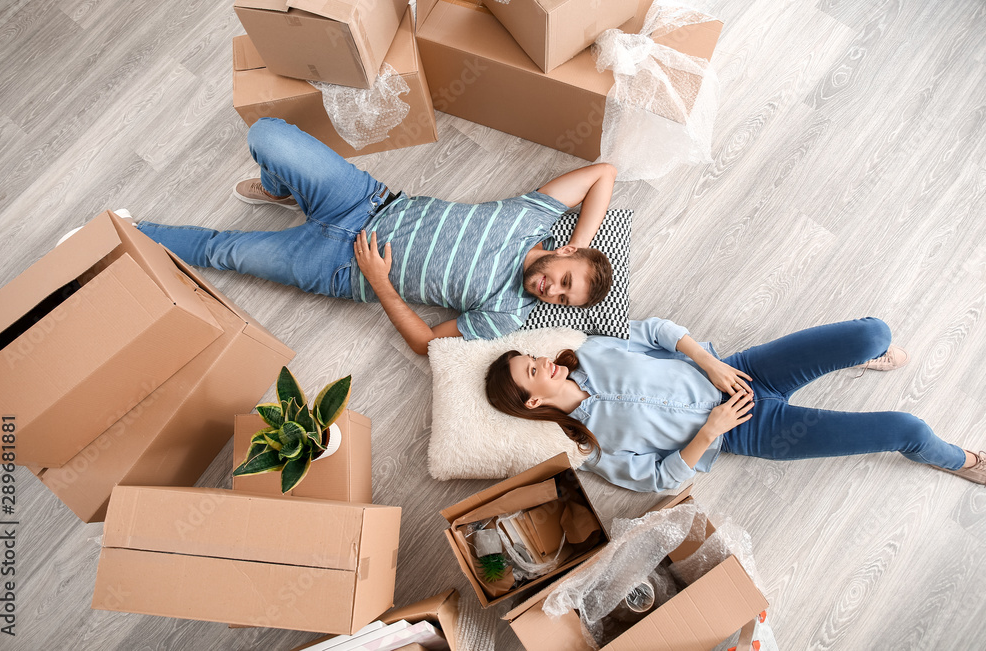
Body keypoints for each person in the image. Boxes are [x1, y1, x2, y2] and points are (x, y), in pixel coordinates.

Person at [134, 118, 615, 355]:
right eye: (565, 279)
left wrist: (380, 282)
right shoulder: (532, 217)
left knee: (225, 252)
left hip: (341, 269)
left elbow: (428, 345)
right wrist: (584, 241)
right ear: (566, 251)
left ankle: (128, 233)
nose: (551, 292)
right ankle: (282, 191)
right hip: (365, 201)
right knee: (266, 134)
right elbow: (604, 173)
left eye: (561, 301)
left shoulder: (508, 315)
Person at [485, 316, 986, 491]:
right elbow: (662, 480)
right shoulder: (591, 449)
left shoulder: (594, 349)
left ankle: (858, 357)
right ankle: (960, 461)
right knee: (908, 428)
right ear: (532, 402)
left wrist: (709, 362)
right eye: (533, 370)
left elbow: (659, 332)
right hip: (750, 430)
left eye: (533, 356)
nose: (543, 360)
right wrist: (711, 431)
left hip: (741, 370)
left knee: (874, 334)